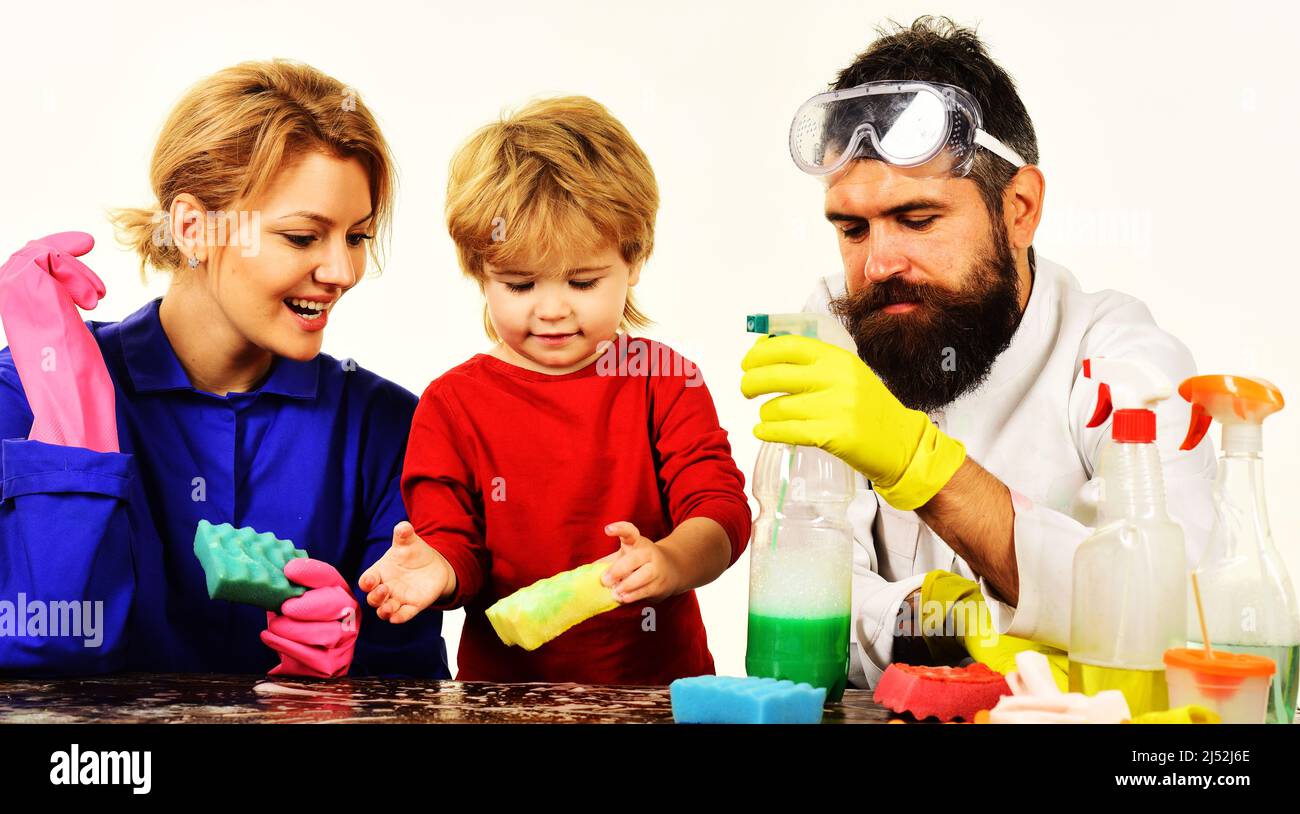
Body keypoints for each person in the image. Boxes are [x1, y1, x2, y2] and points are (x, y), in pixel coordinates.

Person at [740, 17, 1214, 687]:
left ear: (1019, 208)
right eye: (851, 228)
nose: (878, 263)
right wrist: (962, 623)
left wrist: (924, 470)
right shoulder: (836, 330)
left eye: (917, 218)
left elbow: (1184, 612)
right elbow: (803, 589)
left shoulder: (1118, 359)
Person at [0, 59, 448, 678]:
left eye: (356, 236)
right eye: (301, 237)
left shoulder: (389, 426)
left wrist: (345, 666)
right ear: (193, 227)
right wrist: (72, 411)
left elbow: (413, 691)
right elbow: (37, 659)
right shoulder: (21, 396)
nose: (342, 272)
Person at [359, 96, 752, 684]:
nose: (551, 310)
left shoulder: (666, 382)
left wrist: (669, 561)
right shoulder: (451, 404)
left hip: (657, 698)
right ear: (479, 271)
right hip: (505, 704)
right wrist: (435, 568)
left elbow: (720, 511)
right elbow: (454, 539)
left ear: (635, 258)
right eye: (519, 285)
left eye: (582, 281)